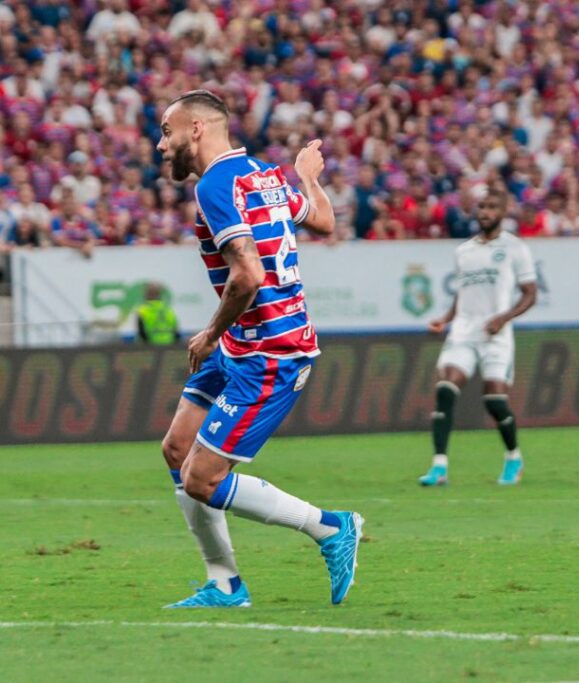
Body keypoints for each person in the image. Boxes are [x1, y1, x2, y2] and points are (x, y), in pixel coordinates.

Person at [155, 90, 362, 609]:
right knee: (178, 450)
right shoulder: (264, 175)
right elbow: (323, 222)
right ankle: (225, 584)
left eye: (166, 131)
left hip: (271, 352)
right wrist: (308, 179)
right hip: (243, 344)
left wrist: (207, 333)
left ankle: (331, 528)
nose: (161, 145)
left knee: (201, 478)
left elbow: (246, 276)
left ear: (196, 130)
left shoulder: (216, 186)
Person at [420, 184, 538, 487]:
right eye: (481, 207)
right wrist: (446, 319)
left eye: (490, 208)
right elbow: (463, 293)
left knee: (495, 401)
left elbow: (530, 294)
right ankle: (439, 467)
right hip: (463, 332)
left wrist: (503, 317)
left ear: (502, 212)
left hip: (496, 335)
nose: (484, 213)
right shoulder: (464, 251)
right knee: (446, 389)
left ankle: (514, 457)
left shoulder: (515, 248)